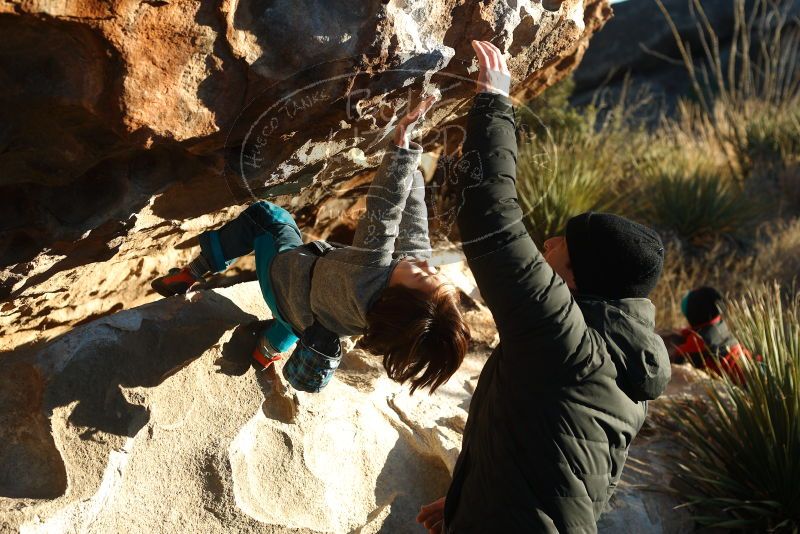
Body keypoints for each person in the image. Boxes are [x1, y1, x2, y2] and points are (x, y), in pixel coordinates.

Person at [416, 41, 671, 533]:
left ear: (576, 279)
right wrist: (467, 496)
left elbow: (493, 219)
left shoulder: (566, 342)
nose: (547, 242)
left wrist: (494, 102)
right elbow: (567, 474)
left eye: (561, 246)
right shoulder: (627, 367)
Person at [151, 97, 470, 394]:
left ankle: (193, 272)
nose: (426, 265)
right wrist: (412, 173)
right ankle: (265, 354)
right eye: (435, 271)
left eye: (423, 275)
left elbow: (384, 210)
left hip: (283, 280)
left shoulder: (370, 272)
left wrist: (402, 147)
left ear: (396, 296)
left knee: (268, 217)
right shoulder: (387, 313)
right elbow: (414, 224)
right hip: (306, 322)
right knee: (296, 322)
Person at [666, 286, 750, 382]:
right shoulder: (721, 325)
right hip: (747, 362)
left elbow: (678, 356)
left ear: (694, 317)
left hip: (742, 380)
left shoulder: (700, 341)